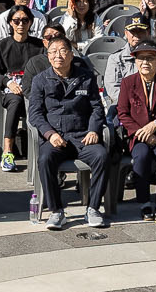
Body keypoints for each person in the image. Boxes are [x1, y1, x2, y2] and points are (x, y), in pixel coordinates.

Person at [26, 32, 111, 230]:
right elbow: (35, 114)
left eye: (63, 51)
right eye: (53, 52)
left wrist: (93, 130)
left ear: (71, 54)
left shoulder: (86, 78)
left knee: (101, 155)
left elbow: (97, 108)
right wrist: (50, 134)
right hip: (56, 138)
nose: (58, 56)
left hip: (82, 136)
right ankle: (56, 211)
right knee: (45, 159)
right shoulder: (40, 80)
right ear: (48, 56)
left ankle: (93, 208)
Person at [115, 42, 156, 221]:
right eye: (141, 58)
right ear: (135, 61)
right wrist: (142, 132)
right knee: (142, 156)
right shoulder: (128, 83)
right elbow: (122, 113)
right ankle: (144, 201)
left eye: (150, 58)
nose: (145, 62)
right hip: (139, 136)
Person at [0, 7, 47, 172]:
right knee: (15, 100)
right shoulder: (2, 46)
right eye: (16, 21)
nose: (21, 24)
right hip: (12, 88)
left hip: (35, 87)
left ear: (31, 23)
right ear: (10, 23)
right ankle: (8, 150)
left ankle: (46, 147)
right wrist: (7, 82)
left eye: (25, 20)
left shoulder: (39, 45)